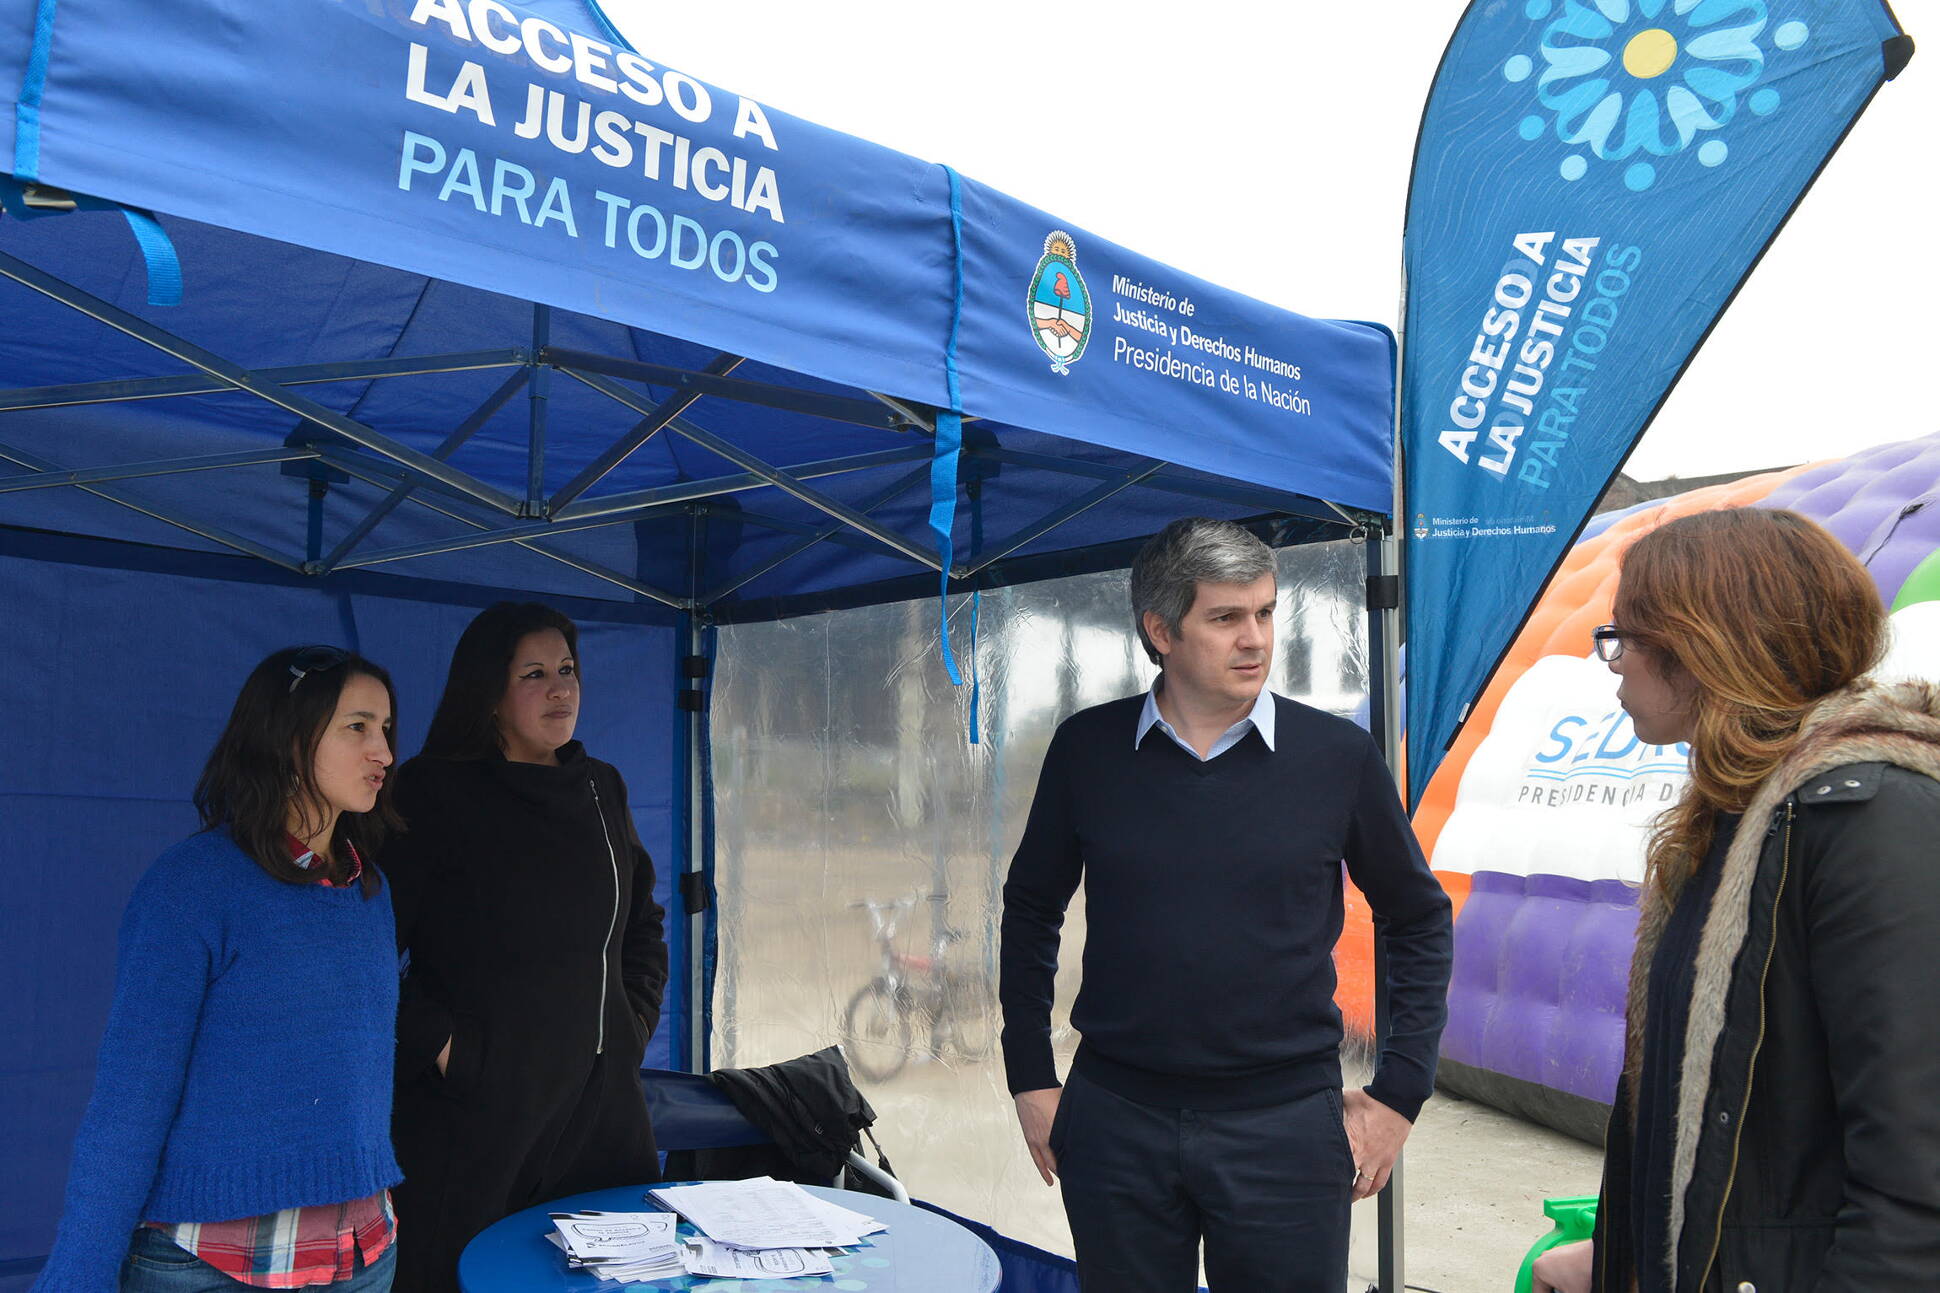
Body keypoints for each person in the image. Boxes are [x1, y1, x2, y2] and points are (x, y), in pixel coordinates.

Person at [999, 517, 1453, 1291]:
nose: (1257, 638)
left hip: (1285, 1128)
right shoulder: (1087, 751)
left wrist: (1400, 1093)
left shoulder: (1337, 759)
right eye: (1226, 617)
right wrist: (1030, 1075)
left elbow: (1417, 917)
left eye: (1267, 612)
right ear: (1160, 629)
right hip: (1117, 1119)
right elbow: (1031, 907)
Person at [1532, 508, 1940, 1293]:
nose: (1613, 663)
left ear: (1702, 645)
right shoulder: (1733, 822)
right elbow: (1732, 1140)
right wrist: (1624, 1256)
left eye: (1626, 635)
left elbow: (1916, 1183)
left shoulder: (1872, 819)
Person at [33, 646, 404, 1293]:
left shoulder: (369, 889)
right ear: (290, 737)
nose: (384, 751)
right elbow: (131, 1095)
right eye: (358, 726)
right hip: (211, 1264)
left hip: (360, 1254)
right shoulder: (192, 886)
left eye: (386, 729)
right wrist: (79, 1270)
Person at [382, 602, 668, 1293]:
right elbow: (362, 955)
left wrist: (626, 1025)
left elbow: (641, 927)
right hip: (476, 1127)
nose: (561, 688)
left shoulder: (602, 787)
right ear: (489, 694)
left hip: (603, 1118)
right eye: (534, 674)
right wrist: (450, 1048)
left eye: (567, 669)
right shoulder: (432, 791)